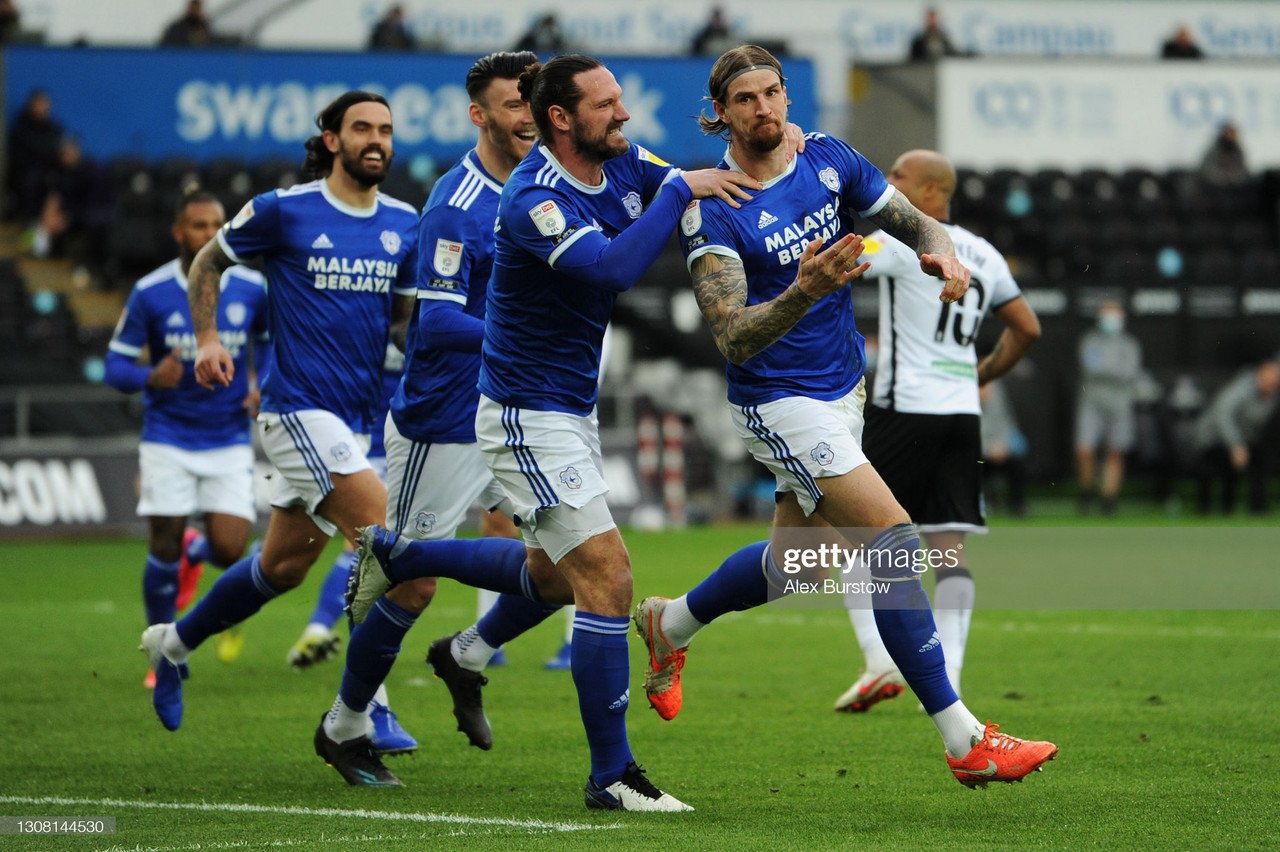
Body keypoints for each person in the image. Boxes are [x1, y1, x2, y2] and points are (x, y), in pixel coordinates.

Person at [345, 53, 761, 809]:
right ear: (562, 118)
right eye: (606, 104)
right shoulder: (532, 197)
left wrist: (725, 183)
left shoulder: (624, 159)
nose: (625, 115)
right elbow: (609, 268)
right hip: (523, 413)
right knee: (609, 580)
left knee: (549, 578)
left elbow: (676, 180)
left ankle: (413, 572)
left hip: (567, 407)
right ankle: (613, 776)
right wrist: (673, 193)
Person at [642, 44, 1056, 789]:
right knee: (892, 539)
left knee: (795, 569)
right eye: (745, 99)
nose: (763, 107)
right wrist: (802, 290)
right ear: (721, 114)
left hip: (841, 391)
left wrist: (944, 257)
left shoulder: (829, 159)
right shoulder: (712, 209)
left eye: (772, 92)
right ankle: (964, 739)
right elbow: (732, 335)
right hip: (777, 399)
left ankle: (668, 624)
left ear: (786, 99)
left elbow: (917, 222)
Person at [137, 91, 423, 777]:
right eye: (362, 128)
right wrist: (207, 339)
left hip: (360, 421)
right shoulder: (282, 210)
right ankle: (366, 708)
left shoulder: (405, 224)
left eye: (385, 129)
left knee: (283, 566)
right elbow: (208, 262)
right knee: (385, 541)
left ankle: (172, 643)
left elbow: (409, 326)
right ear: (331, 139)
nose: (376, 140)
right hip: (296, 410)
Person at [313, 51, 539, 773]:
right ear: (480, 115)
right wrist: (528, 336)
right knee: (411, 582)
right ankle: (346, 725)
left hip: (522, 410)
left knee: (578, 566)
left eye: (535, 102)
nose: (528, 117)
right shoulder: (456, 204)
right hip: (444, 419)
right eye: (512, 105)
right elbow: (433, 327)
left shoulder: (547, 186)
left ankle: (465, 652)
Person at [829, 149, 1040, 712]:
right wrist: (981, 373)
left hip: (905, 410)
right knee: (950, 551)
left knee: (854, 537)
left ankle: (879, 660)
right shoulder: (986, 254)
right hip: (961, 415)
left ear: (927, 192)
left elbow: (842, 263)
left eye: (896, 176)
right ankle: (948, 679)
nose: (887, 183)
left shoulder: (904, 241)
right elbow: (1026, 327)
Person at [107, 187, 267, 687]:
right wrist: (150, 376)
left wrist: (260, 381)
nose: (208, 235)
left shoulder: (251, 287)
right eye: (198, 226)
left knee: (230, 550)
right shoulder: (151, 291)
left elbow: (270, 343)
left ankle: (199, 551)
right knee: (163, 546)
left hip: (228, 438)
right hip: (168, 437)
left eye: (216, 225)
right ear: (179, 232)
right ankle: (164, 654)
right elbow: (114, 366)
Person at [1075, 301, 1141, 515]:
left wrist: (1108, 369)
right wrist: (1115, 368)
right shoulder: (1090, 340)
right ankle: (1086, 493)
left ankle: (1108, 499)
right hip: (1091, 403)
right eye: (1107, 313)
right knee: (1084, 450)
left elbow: (1130, 371)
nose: (1111, 318)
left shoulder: (1130, 344)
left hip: (1121, 404)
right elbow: (1091, 367)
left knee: (1115, 451)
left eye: (1115, 313)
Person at [1193, 360, 1280, 515]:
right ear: (1260, 374)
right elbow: (1223, 415)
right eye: (1270, 377)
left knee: (1259, 462)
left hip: (1243, 439)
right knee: (1214, 468)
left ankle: (1254, 510)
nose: (1272, 383)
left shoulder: (1273, 395)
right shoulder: (1242, 388)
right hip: (1213, 437)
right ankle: (1203, 511)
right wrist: (1236, 445)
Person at [6, 89, 64, 222]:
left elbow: (57, 153)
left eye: (43, 104)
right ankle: (29, 225)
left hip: (50, 172)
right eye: (37, 104)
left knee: (58, 183)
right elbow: (17, 156)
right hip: (26, 174)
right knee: (30, 180)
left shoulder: (55, 129)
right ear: (30, 105)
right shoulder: (20, 129)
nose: (40, 107)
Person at [979, 379, 1028, 517]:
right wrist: (988, 449)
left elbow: (1007, 423)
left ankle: (1018, 505)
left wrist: (1004, 445)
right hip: (979, 456)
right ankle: (982, 502)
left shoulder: (998, 394)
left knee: (1016, 463)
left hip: (1001, 450)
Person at [1200, 121, 1249, 188]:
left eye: (1233, 133)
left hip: (1234, 187)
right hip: (1213, 186)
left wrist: (1234, 177)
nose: (1230, 135)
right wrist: (1221, 177)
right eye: (1228, 133)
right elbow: (1206, 168)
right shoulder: (1215, 149)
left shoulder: (1238, 151)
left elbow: (1244, 170)